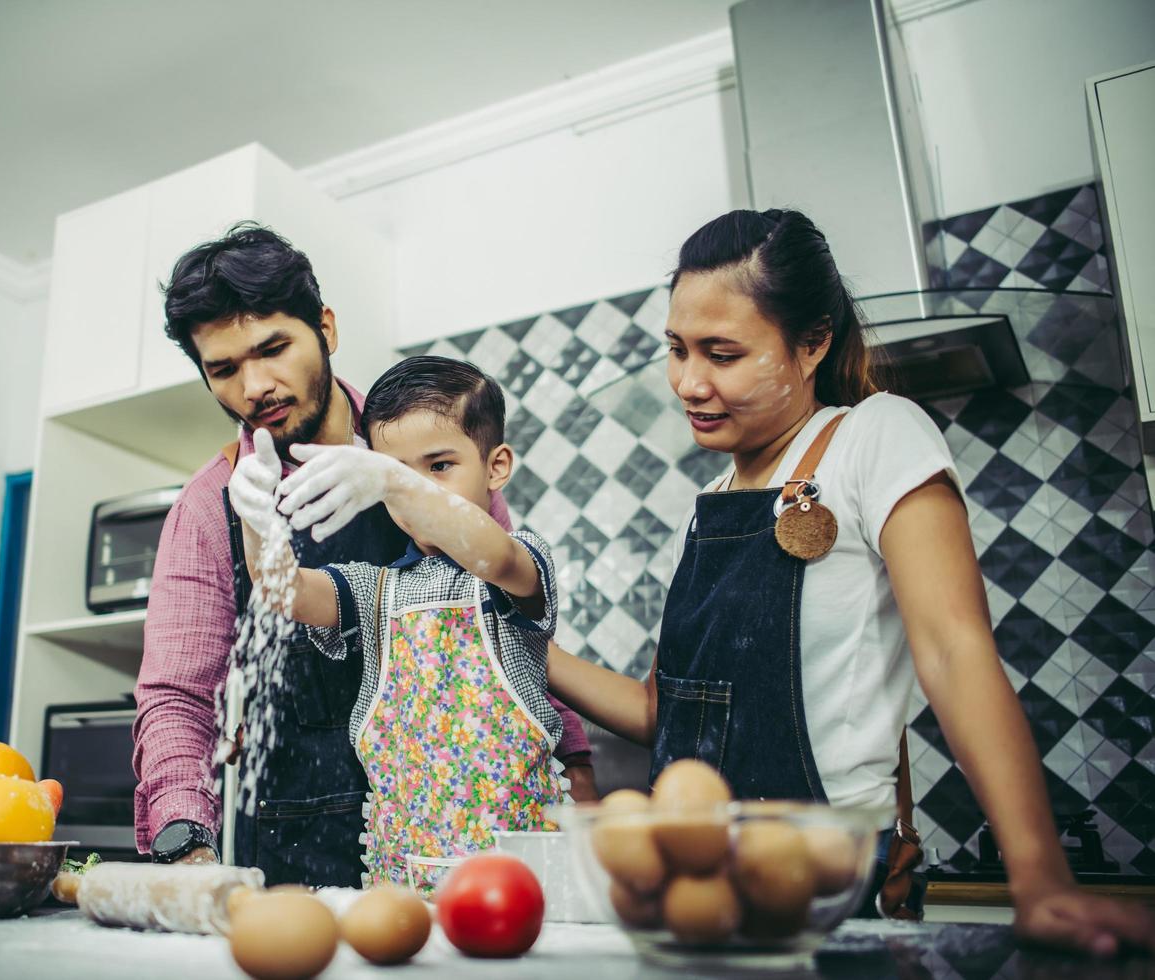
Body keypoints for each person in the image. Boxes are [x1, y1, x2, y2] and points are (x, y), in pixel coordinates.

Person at [547, 209, 1155, 955]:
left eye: (722, 352)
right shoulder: (709, 505)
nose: (689, 382)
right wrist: (518, 644)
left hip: (822, 867)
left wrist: (1039, 881)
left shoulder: (876, 435)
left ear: (811, 344)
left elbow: (953, 652)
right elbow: (659, 711)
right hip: (695, 874)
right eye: (675, 349)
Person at [133, 224, 595, 885]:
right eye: (224, 368)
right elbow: (178, 695)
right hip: (300, 839)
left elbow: (507, 614)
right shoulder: (210, 506)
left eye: (273, 348)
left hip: (477, 831)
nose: (255, 385)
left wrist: (575, 769)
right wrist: (185, 847)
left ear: (324, 327)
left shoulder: (424, 450)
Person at [228, 356, 566, 892]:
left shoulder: (515, 569)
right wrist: (256, 522)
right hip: (400, 890)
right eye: (396, 474)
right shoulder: (377, 590)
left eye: (439, 466)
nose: (415, 490)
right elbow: (280, 589)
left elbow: (494, 557)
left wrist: (397, 482)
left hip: (516, 892)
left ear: (496, 466)